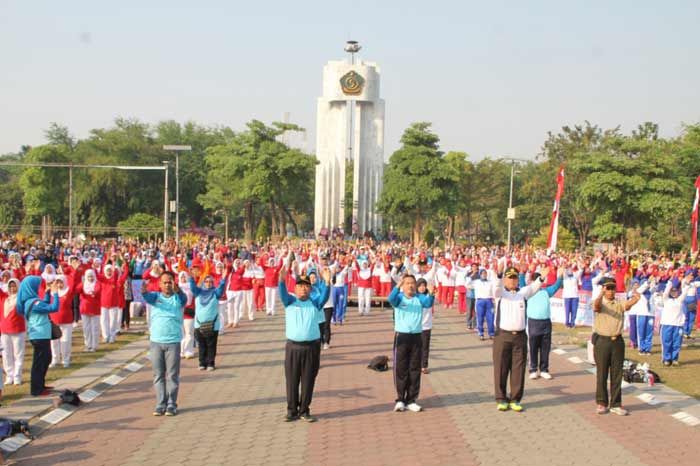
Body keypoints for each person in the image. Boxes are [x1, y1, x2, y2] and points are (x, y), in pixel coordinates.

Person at [278, 266, 330, 422]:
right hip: (293, 347)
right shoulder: (290, 302)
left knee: (308, 380)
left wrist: (327, 282)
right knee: (292, 380)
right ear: (295, 288)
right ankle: (292, 410)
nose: (304, 289)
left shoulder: (315, 303)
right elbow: (282, 292)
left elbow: (325, 297)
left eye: (307, 286)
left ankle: (304, 410)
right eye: (300, 286)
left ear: (310, 289)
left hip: (311, 347)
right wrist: (281, 280)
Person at [492, 265, 547, 412]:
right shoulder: (500, 294)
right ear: (505, 279)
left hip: (520, 337)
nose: (512, 280)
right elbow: (496, 287)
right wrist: (498, 274)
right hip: (502, 336)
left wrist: (541, 278)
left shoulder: (522, 293)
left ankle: (515, 399)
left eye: (514, 278)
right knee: (501, 369)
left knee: (518, 369)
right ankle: (501, 399)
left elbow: (534, 287)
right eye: (509, 277)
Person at [141, 271, 187, 416]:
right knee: (158, 375)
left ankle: (172, 404)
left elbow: (183, 299)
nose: (167, 285)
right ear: (160, 284)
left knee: (172, 375)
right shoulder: (156, 297)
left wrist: (177, 289)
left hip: (173, 342)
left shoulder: (178, 298)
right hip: (156, 342)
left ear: (174, 283)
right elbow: (146, 296)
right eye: (165, 282)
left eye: (170, 282)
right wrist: (143, 290)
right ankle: (161, 404)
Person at [592, 277, 640, 415]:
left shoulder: (618, 303)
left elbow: (628, 305)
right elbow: (596, 306)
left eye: (613, 288)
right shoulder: (600, 302)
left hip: (617, 342)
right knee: (602, 373)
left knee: (617, 374)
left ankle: (616, 404)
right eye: (608, 288)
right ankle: (601, 403)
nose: (611, 291)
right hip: (602, 341)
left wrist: (636, 298)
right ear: (603, 289)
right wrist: (601, 294)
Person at [388, 274, 434, 412]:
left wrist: (431, 293)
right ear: (403, 285)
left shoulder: (419, 298)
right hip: (401, 337)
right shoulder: (399, 298)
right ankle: (401, 399)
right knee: (401, 369)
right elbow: (391, 298)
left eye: (412, 283)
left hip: (416, 337)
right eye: (407, 283)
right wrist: (398, 285)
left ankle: (411, 400)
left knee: (414, 369)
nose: (411, 286)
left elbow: (428, 303)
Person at [16, 276, 60, 396]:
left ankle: (40, 385)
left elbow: (44, 305)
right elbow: (53, 307)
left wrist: (47, 293)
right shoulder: (34, 302)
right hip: (40, 335)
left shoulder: (31, 301)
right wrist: (55, 294)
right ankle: (36, 389)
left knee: (45, 360)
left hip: (40, 335)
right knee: (40, 362)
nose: (38, 287)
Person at [526, 267, 563, 380]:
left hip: (546, 323)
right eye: (535, 280)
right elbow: (522, 281)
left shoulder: (546, 291)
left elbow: (556, 286)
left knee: (545, 348)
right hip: (533, 322)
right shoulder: (528, 291)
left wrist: (560, 276)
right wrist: (522, 272)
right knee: (533, 347)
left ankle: (544, 369)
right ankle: (533, 369)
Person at [190, 273, 227, 371]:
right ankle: (202, 362)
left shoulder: (215, 292)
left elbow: (221, 287)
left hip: (213, 325)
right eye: (206, 281)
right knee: (201, 345)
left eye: (211, 281)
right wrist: (191, 278)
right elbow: (192, 287)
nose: (208, 283)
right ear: (203, 283)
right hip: (199, 324)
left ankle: (211, 363)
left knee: (211, 345)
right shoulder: (198, 292)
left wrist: (223, 279)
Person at [660, 277, 695, 366]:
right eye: (672, 291)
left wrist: (687, 284)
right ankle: (667, 359)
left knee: (677, 343)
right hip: (667, 325)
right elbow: (665, 293)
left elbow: (685, 293)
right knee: (667, 342)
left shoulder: (679, 300)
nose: (674, 293)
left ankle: (674, 359)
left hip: (678, 325)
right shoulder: (666, 300)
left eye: (675, 291)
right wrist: (670, 282)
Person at [0, 278, 25, 385]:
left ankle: (17, 376)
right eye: (10, 286)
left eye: (14, 286)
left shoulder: (21, 298)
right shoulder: (4, 298)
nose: (12, 288)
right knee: (6, 354)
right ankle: (9, 376)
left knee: (18, 354)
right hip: (5, 330)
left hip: (18, 330)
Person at [76, 269, 101, 352]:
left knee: (95, 327)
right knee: (86, 328)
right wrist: (82, 283)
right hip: (84, 308)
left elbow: (98, 289)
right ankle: (88, 345)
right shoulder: (83, 284)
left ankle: (95, 345)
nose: (90, 278)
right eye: (89, 277)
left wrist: (94, 292)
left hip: (95, 308)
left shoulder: (97, 283)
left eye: (92, 276)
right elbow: (77, 290)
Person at [416, 278, 437, 374]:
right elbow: (427, 303)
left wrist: (431, 294)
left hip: (426, 326)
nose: (422, 287)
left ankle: (424, 366)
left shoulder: (429, 295)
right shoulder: (415, 296)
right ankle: (415, 365)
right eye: (420, 286)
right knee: (416, 348)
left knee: (425, 347)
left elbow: (429, 304)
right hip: (416, 326)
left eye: (424, 286)